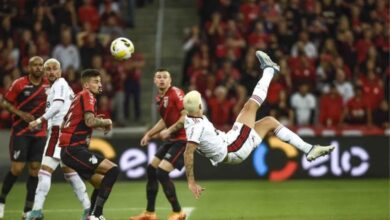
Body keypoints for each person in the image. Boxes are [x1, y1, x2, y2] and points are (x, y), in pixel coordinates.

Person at [183, 51, 335, 199]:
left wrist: (165, 131)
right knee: (251, 106)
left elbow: (181, 130)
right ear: (199, 107)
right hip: (233, 147)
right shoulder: (197, 127)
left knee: (269, 122)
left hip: (230, 142)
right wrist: (191, 182)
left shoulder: (189, 118)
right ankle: (269, 69)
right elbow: (188, 152)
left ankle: (309, 149)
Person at [26, 59, 90, 220]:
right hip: (66, 132)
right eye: (48, 69)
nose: (51, 72)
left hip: (58, 132)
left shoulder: (60, 84)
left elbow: (58, 105)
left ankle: (36, 211)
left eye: (54, 69)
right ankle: (89, 209)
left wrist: (39, 120)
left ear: (60, 71)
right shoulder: (60, 86)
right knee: (70, 172)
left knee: (44, 171)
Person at [59, 69, 118, 220]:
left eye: (100, 81)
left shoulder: (80, 96)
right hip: (74, 149)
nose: (100, 84)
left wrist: (98, 123)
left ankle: (92, 215)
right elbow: (89, 121)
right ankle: (96, 214)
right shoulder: (87, 95)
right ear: (86, 84)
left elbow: (79, 122)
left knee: (100, 183)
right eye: (96, 81)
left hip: (70, 150)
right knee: (113, 170)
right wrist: (107, 121)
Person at [130, 69, 186, 220]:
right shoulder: (159, 98)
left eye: (165, 77)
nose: (162, 79)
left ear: (170, 80)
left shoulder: (175, 92)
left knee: (161, 172)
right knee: (151, 169)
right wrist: (149, 134)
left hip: (183, 139)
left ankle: (178, 212)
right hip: (172, 139)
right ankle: (150, 213)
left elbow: (185, 115)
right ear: (155, 81)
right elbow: (164, 120)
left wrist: (170, 131)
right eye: (159, 77)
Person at [0, 56, 49, 219]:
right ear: (29, 67)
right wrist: (20, 114)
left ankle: (28, 210)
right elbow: (5, 102)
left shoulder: (49, 85)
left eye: (40, 65)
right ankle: (1, 201)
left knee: (35, 170)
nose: (38, 68)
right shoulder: (19, 83)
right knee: (17, 169)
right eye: (34, 65)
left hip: (40, 133)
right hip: (21, 132)